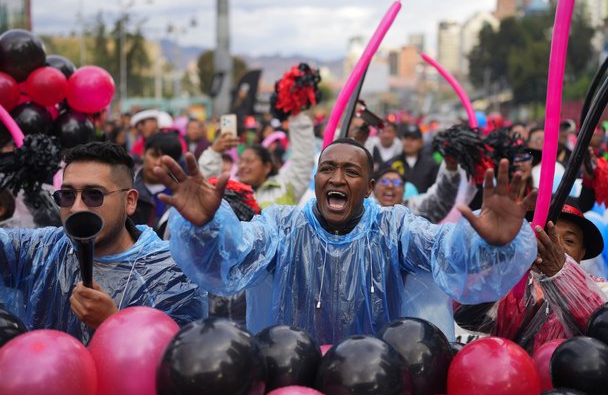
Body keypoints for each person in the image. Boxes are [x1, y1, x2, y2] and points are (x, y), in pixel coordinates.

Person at [157, 138, 537, 344]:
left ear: (369, 188)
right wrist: (207, 226)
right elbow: (231, 257)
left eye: (351, 171)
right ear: (317, 180)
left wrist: (489, 245)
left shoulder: (396, 227)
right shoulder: (281, 225)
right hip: (292, 375)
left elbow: (448, 254)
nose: (337, 178)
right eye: (328, 169)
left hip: (374, 378)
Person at [0, 142, 202, 343]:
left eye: (94, 195)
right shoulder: (43, 251)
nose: (75, 208)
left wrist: (112, 323)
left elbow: (177, 362)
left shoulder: (169, 272)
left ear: (130, 201)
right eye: (67, 195)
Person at [454, 200, 608, 353]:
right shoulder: (513, 281)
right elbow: (466, 316)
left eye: (569, 241)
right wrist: (493, 259)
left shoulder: (603, 290)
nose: (555, 245)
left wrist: (561, 275)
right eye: (546, 235)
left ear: (582, 254)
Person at [199, 113, 315, 209]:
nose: (243, 166)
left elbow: (303, 160)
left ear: (267, 167)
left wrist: (297, 113)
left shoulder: (285, 186)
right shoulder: (230, 191)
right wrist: (214, 151)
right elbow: (207, 185)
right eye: (240, 161)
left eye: (249, 161)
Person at [373, 159, 461, 223]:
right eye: (384, 181)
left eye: (396, 183)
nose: (390, 186)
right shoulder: (365, 207)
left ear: (404, 190)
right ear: (373, 188)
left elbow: (440, 201)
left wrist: (451, 169)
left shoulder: (414, 207)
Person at [131, 132, 184, 237]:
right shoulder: (126, 187)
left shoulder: (181, 197)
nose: (158, 163)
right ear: (143, 153)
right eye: (154, 155)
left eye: (166, 159)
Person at [387, 125, 440, 194]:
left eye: (413, 139)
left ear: (421, 142)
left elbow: (436, 188)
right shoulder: (391, 163)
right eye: (406, 138)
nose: (408, 142)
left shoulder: (431, 164)